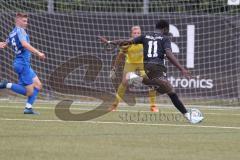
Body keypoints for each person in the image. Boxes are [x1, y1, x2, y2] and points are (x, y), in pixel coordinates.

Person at [103, 20, 203, 124]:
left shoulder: (145, 36)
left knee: (154, 84)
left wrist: (111, 42)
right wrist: (182, 69)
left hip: (146, 67)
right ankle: (188, 116)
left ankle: (135, 78)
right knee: (171, 91)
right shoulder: (165, 39)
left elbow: (126, 41)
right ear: (165, 29)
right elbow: (169, 54)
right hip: (157, 68)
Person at [0, 13, 45, 114]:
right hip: (23, 64)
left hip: (23, 64)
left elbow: (4, 44)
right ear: (18, 20)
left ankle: (28, 108)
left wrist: (2, 44)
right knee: (29, 92)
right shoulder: (20, 31)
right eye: (24, 21)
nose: (26, 23)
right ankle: (6, 85)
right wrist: (38, 53)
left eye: (26, 21)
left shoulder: (12, 33)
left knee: (38, 85)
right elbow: (25, 44)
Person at [109, 25, 158, 112]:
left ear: (141, 34)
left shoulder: (145, 42)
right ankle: (114, 105)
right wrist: (114, 68)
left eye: (138, 33)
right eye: (135, 33)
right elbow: (119, 56)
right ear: (131, 34)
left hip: (142, 64)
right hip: (130, 64)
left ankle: (153, 106)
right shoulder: (127, 44)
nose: (136, 34)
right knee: (124, 82)